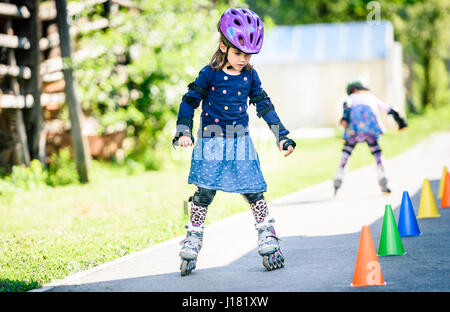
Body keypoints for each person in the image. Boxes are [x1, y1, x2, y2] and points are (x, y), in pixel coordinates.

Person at [172, 8, 296, 276]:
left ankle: (268, 236)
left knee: (253, 191)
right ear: (223, 46)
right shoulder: (209, 73)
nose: (243, 59)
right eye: (238, 53)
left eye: (248, 54)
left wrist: (281, 135)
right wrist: (184, 130)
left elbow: (263, 105)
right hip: (210, 141)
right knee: (204, 192)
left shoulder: (250, 75)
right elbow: (189, 101)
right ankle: (193, 237)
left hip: (240, 142)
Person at [333, 80, 408, 195]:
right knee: (376, 152)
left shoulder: (351, 98)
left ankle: (339, 177)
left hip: (354, 129)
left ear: (352, 90)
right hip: (370, 128)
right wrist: (401, 122)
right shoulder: (371, 97)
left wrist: (344, 119)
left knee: (346, 152)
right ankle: (383, 177)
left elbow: (346, 109)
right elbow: (389, 109)